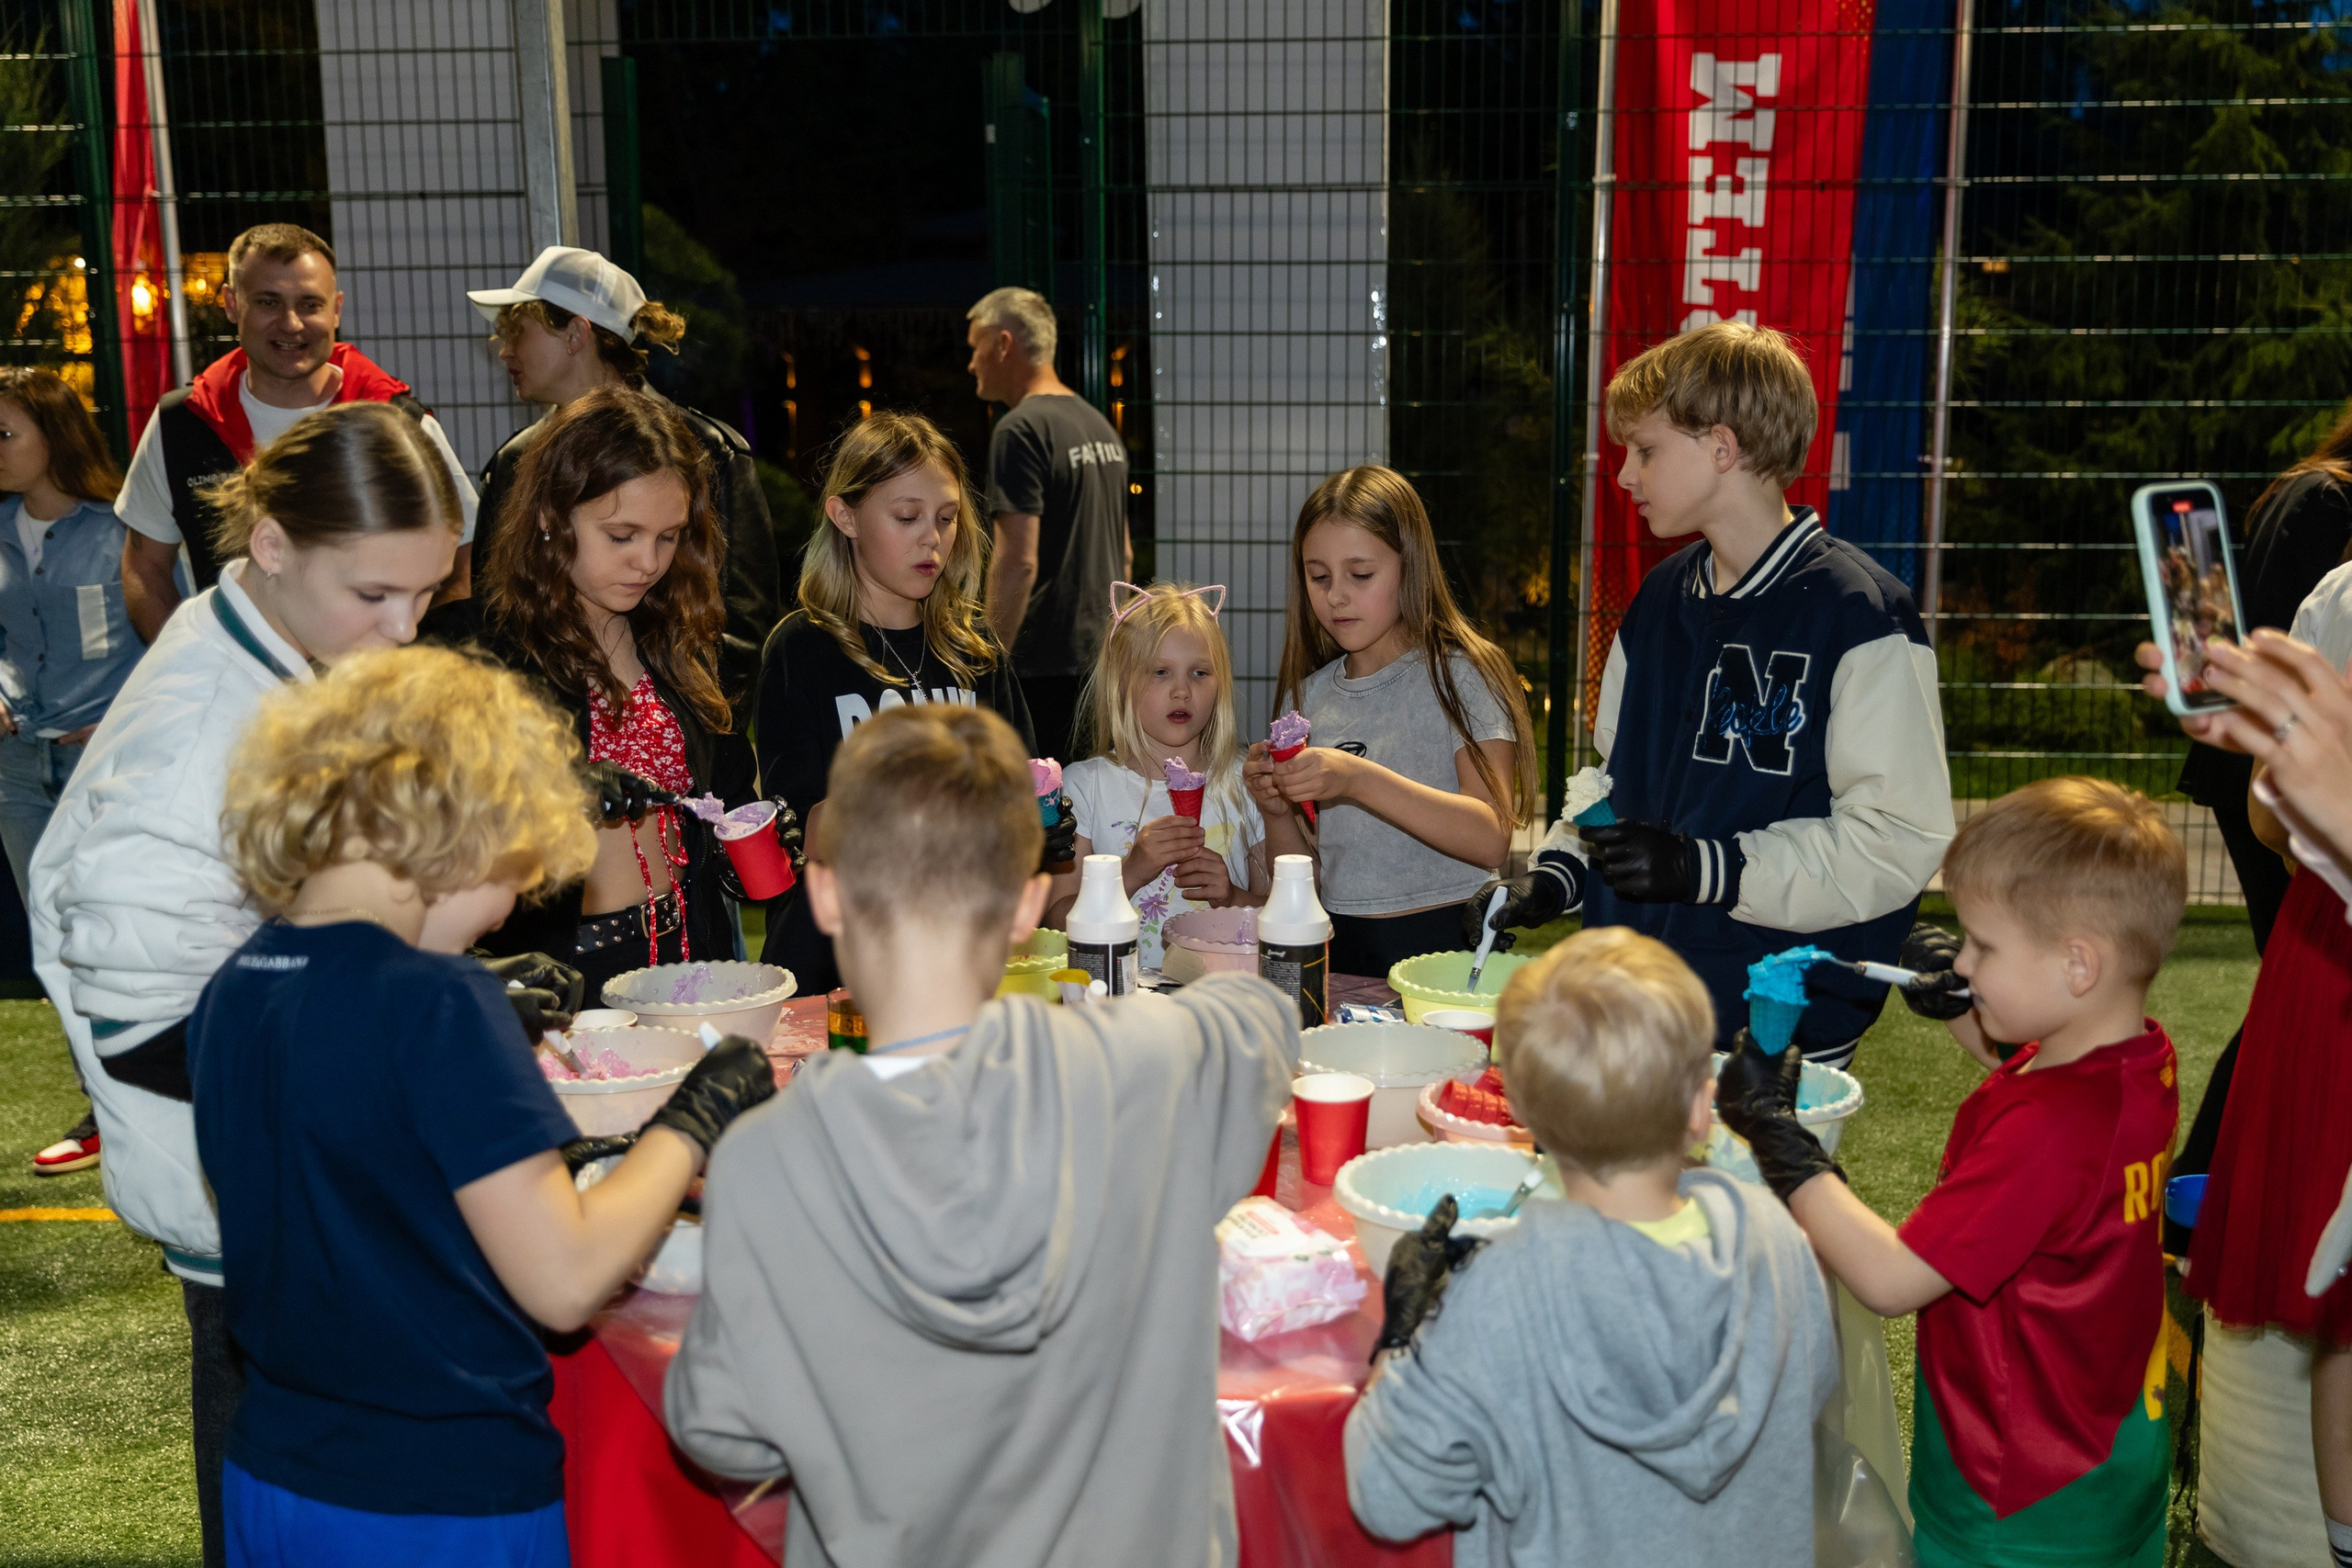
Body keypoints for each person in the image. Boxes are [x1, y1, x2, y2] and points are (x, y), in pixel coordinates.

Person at [664, 701, 1297, 1565]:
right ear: (1028, 905)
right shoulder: (1145, 1069)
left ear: (823, 891)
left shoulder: (762, 1164)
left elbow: (722, 1430)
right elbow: (1262, 1016)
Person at [191, 644, 775, 1567]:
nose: (510, 910)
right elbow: (567, 1280)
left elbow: (370, 1182)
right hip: (439, 1498)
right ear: (460, 824)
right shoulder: (436, 1003)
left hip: (275, 1476)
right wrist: (690, 1122)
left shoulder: (237, 984)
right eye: (517, 866)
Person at [28, 401, 468, 1568]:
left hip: (265, 1156)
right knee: (266, 1471)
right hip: (232, 1179)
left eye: (425, 597)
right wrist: (380, 1039)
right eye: (375, 596)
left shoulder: (271, 635)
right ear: (270, 541)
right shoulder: (201, 733)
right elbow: (138, 1021)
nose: (403, 630)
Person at [1717, 776, 2185, 1568]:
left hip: (2018, 1499)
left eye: (1984, 946)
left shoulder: (2048, 1130)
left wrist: (1780, 1140)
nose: (1964, 957)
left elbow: (1892, 1279)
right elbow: (2034, 1074)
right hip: (2109, 1456)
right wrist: (1967, 1007)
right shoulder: (2138, 1058)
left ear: (2079, 964)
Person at [1464, 321, 1951, 1066]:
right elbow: (1610, 786)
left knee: (1764, 1187)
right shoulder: (1659, 598)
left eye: (1647, 450)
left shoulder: (1860, 615)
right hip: (1634, 1003)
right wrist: (1559, 874)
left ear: (1723, 448)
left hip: (1771, 1023)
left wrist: (1707, 867)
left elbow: (1895, 839)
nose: (1625, 475)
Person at [1345, 926, 1837, 1565]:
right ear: (1701, 1104)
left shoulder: (1505, 1288)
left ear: (1522, 1113)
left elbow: (1391, 1495)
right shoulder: (1776, 1237)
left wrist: (1399, 1346)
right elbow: (1813, 1385)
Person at [424, 385, 760, 1003]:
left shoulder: (675, 640)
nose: (648, 562)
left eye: (667, 536)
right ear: (552, 515)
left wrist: (761, 835)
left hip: (690, 957)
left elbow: (723, 799)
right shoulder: (480, 653)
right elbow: (433, 834)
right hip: (560, 975)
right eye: (622, 534)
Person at [754, 411, 1035, 996]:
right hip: (834, 964)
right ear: (845, 515)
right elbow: (806, 830)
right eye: (906, 517)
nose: (932, 538)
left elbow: (1027, 792)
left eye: (947, 518)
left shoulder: (974, 652)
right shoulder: (802, 649)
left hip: (957, 955)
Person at [117, 222, 480, 636]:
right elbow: (144, 568)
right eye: (269, 302)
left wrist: (413, 666)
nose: (291, 324)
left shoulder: (400, 423)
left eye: (309, 304)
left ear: (336, 309)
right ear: (232, 304)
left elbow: (463, 556)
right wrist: (186, 665)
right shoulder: (182, 425)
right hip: (237, 689)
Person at [1243, 464, 1534, 977]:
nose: (1335, 596)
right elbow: (1307, 879)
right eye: (1318, 577)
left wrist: (1357, 778)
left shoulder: (1462, 676)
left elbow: (1490, 835)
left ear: (1411, 566)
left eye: (1360, 575)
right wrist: (1275, 811)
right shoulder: (1306, 697)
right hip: (1340, 949)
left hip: (1449, 945)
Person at [469, 245, 782, 705]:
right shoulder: (516, 463)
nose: (504, 350)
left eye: (516, 329)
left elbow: (745, 626)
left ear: (577, 333)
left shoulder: (706, 451)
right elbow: (494, 611)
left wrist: (673, 726)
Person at [0, 367, 142, 1178]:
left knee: (122, 936)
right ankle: (104, 1108)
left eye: (6, 431)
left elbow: (171, 637)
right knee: (54, 941)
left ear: (55, 434)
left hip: (108, 767)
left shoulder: (124, 531)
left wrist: (127, 722)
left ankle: (150, 1096)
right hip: (18, 772)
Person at [1046, 581, 1278, 968]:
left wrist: (1231, 898)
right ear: (1121, 684)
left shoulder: (1244, 783)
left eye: (1200, 673)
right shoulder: (1084, 787)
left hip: (1220, 998)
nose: (1182, 691)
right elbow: (1056, 919)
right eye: (1160, 672)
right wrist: (1131, 871)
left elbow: (1281, 917)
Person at [967, 285, 1131, 760]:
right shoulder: (1101, 427)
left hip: (1040, 667)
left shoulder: (1019, 429)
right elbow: (1123, 554)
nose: (972, 364)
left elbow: (1017, 561)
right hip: (1100, 659)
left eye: (976, 348)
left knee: (1032, 815)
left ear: (1003, 344)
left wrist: (990, 665)